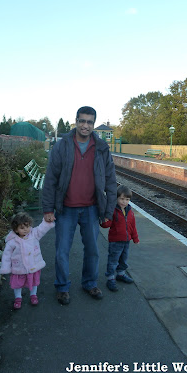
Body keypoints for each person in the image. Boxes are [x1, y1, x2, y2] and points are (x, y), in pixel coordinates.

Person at [42, 106, 117, 305]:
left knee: (93, 250)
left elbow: (110, 180)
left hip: (92, 208)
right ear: (75, 121)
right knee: (62, 251)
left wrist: (108, 211)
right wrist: (48, 209)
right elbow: (50, 179)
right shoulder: (63, 145)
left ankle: (90, 283)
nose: (85, 125)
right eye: (82, 121)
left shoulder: (101, 148)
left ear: (94, 124)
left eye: (89, 122)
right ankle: (62, 287)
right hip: (66, 208)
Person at [0, 212, 55, 309]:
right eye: (22, 228)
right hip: (19, 267)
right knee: (17, 284)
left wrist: (46, 222)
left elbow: (42, 228)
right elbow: (6, 255)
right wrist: (5, 267)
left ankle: (33, 295)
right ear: (16, 229)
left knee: (34, 281)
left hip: (33, 264)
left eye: (27, 226)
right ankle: (18, 297)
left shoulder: (34, 234)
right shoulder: (12, 241)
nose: (26, 230)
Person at [100, 185, 139, 292]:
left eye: (127, 199)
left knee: (123, 259)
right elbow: (106, 225)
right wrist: (103, 220)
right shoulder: (113, 211)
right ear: (116, 198)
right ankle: (110, 278)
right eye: (122, 199)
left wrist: (135, 238)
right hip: (115, 241)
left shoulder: (130, 211)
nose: (124, 202)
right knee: (113, 261)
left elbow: (132, 226)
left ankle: (121, 274)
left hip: (126, 241)